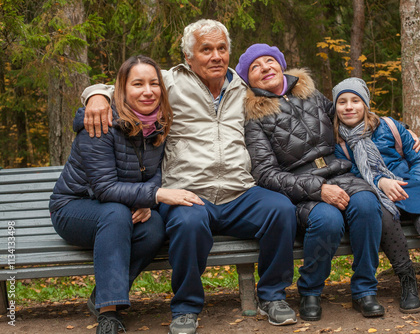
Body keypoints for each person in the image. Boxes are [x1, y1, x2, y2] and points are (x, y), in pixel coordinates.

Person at [80, 20, 298, 334]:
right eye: (206, 49)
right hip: (188, 192)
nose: (216, 56)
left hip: (240, 192)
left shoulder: (242, 87)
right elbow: (125, 84)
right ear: (189, 56)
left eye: (222, 48)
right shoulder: (170, 81)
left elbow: (286, 86)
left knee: (281, 209)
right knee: (188, 223)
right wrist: (95, 97)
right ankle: (186, 308)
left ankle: (272, 296)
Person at [50, 55, 205, 334]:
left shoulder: (156, 126)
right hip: (74, 208)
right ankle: (109, 314)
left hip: (119, 207)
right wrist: (156, 196)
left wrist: (146, 201)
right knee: (116, 213)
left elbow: (154, 172)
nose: (148, 91)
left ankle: (102, 295)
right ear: (121, 89)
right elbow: (104, 188)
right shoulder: (100, 124)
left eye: (154, 84)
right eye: (138, 84)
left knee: (155, 226)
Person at [236, 43, 386, 321]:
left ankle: (365, 288)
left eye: (269, 61)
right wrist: (318, 189)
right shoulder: (254, 118)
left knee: (366, 203)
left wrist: (396, 130)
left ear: (281, 65)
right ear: (249, 80)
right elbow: (266, 174)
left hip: (339, 171)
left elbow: (348, 118)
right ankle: (310, 290)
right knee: (327, 219)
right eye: (255, 67)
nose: (265, 68)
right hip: (298, 186)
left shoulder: (311, 94)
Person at [332, 77, 420, 322]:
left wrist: (411, 181)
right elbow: (351, 175)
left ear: (365, 104)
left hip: (412, 189)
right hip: (380, 195)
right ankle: (408, 281)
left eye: (355, 100)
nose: (349, 106)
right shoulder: (339, 144)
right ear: (334, 108)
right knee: (384, 219)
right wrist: (380, 183)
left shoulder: (390, 126)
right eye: (342, 102)